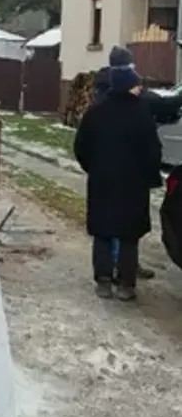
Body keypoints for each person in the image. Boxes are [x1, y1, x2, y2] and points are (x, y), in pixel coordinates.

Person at [74, 61, 163, 301]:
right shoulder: (142, 115)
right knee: (128, 236)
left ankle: (103, 281)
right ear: (130, 87)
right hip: (133, 186)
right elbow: (153, 152)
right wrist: (148, 176)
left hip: (102, 182)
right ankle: (126, 284)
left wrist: (93, 168)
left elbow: (81, 148)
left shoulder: (95, 113)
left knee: (103, 233)